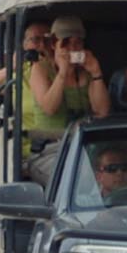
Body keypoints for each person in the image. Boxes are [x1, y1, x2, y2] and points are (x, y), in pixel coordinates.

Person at [27, 15, 110, 186]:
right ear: (53, 44)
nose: (72, 48)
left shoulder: (85, 72)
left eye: (77, 43)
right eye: (66, 43)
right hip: (51, 150)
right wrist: (63, 73)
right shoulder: (40, 69)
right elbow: (49, 107)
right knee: (73, 181)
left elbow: (102, 111)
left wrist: (96, 73)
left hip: (85, 148)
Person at [0, 22, 51, 163]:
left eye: (47, 39)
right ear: (24, 44)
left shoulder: (64, 69)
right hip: (37, 152)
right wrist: (12, 67)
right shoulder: (20, 72)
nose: (42, 45)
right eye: (35, 40)